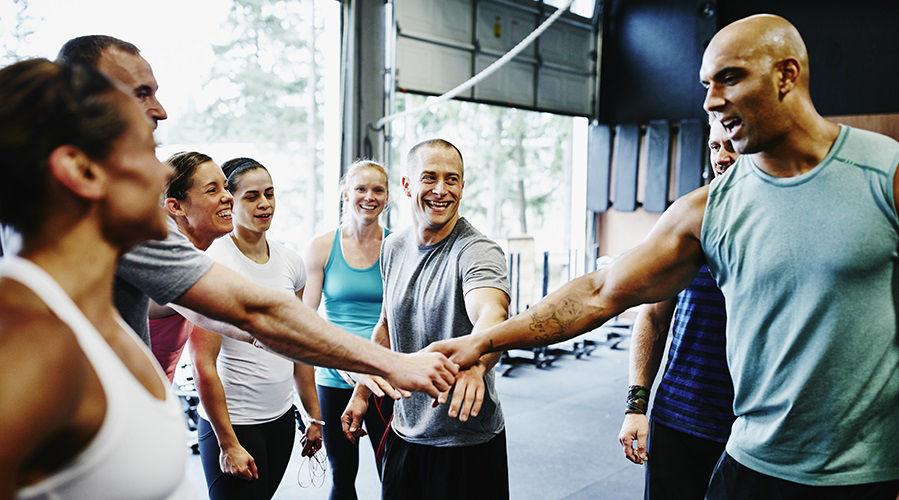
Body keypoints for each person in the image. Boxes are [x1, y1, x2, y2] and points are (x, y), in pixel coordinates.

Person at [430, 15, 899, 498]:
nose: (711, 101)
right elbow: (600, 292)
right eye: (705, 84)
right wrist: (482, 343)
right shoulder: (707, 210)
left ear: (787, 74)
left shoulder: (884, 174)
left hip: (863, 477)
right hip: (749, 466)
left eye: (730, 78)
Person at [56, 35, 458, 397]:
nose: (159, 110)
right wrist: (393, 363)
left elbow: (240, 320)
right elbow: (252, 314)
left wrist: (274, 339)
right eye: (141, 93)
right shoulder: (107, 207)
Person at [0, 58, 192, 498]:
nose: (164, 173)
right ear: (83, 172)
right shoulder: (28, 340)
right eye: (147, 150)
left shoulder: (97, 315)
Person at [343, 139, 512, 499]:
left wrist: (476, 364)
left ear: (463, 187)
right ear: (406, 185)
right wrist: (361, 391)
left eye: (452, 180)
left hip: (467, 440)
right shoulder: (392, 247)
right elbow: (387, 325)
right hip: (405, 433)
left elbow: (491, 314)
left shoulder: (478, 250)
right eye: (429, 178)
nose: (441, 190)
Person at [617, 118, 738, 500]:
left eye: (732, 144)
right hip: (679, 420)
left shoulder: (787, 225)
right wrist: (637, 405)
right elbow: (652, 315)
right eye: (716, 146)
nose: (722, 156)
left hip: (754, 433)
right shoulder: (689, 219)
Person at [191, 157, 323, 499]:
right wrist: (227, 442)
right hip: (234, 422)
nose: (265, 204)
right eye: (252, 196)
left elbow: (299, 347)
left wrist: (314, 415)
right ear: (229, 201)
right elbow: (203, 362)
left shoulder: (291, 262)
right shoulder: (213, 262)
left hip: (280, 419)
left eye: (270, 194)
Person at [303, 160, 394, 500]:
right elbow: (307, 317)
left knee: (394, 472)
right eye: (361, 188)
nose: (369, 196)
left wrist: (373, 370)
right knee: (342, 475)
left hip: (385, 374)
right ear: (345, 193)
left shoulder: (396, 247)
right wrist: (341, 363)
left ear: (387, 198)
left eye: (378, 190)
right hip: (334, 376)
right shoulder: (322, 246)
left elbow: (399, 317)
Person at [148, 151, 233, 382]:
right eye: (212, 190)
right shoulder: (167, 262)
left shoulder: (192, 255)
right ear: (176, 206)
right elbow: (243, 318)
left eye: (225, 187)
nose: (227, 197)